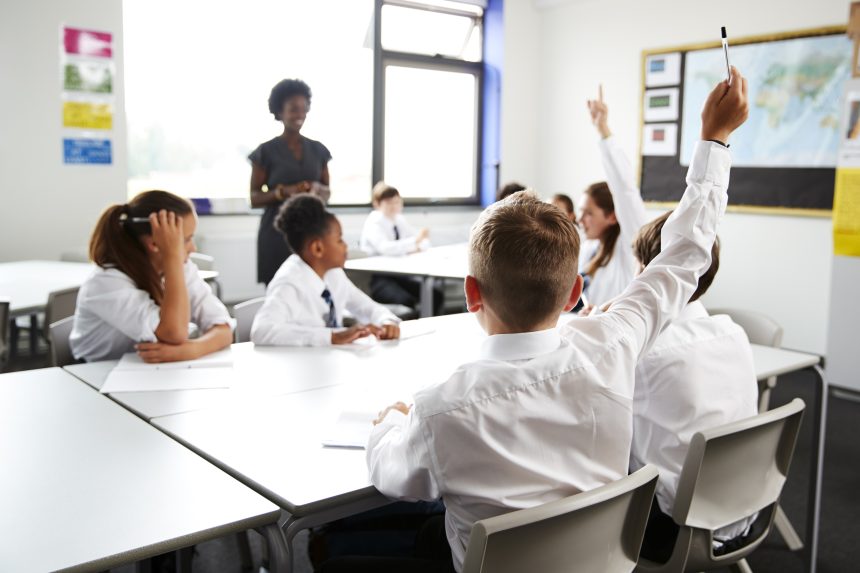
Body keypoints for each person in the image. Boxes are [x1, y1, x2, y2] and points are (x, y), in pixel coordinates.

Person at [356, 68, 748, 573]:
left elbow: (388, 473)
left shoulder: (438, 411)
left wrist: (390, 421)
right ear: (575, 293)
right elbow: (686, 256)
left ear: (471, 293)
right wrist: (714, 139)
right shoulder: (612, 345)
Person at [628, 211, 759, 562]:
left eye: (638, 267)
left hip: (673, 528)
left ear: (651, 275)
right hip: (744, 510)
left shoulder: (645, 353)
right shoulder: (733, 332)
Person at [71, 190, 234, 363]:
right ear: (155, 243)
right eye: (186, 240)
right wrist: (173, 258)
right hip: (94, 374)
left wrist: (193, 349)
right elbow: (174, 333)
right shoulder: (105, 282)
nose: (193, 248)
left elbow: (223, 328)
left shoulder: (182, 268)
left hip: (149, 372)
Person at [251, 194, 402, 346]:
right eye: (339, 240)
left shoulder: (333, 273)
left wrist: (386, 321)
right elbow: (261, 331)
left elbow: (367, 307)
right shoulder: (289, 283)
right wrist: (332, 337)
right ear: (318, 248)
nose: (345, 246)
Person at [249, 78, 332, 286]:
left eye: (304, 109)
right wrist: (283, 192)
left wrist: (316, 189)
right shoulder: (265, 152)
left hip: (312, 230)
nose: (300, 115)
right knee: (279, 290)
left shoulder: (319, 150)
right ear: (279, 111)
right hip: (276, 234)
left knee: (314, 289)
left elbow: (327, 191)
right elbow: (254, 198)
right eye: (294, 109)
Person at [578, 85, 650, 309]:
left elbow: (624, 189)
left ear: (612, 216)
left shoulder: (630, 245)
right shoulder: (590, 248)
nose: (580, 219)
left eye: (589, 213)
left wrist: (603, 130)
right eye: (581, 212)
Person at [359, 182, 443, 314]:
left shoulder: (399, 220)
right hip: (381, 277)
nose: (394, 206)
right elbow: (386, 248)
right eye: (389, 202)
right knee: (405, 301)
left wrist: (415, 243)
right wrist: (414, 242)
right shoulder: (374, 222)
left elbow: (424, 243)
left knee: (435, 295)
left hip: (402, 275)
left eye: (397, 201)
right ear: (377, 204)